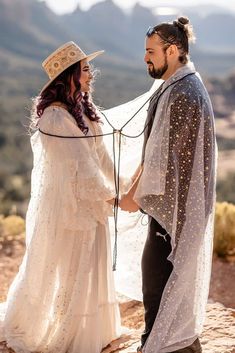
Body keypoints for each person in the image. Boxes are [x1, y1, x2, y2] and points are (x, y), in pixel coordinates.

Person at [0, 41, 128, 353]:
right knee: (68, 267)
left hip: (90, 202)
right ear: (69, 76)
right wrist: (113, 198)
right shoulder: (55, 118)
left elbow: (100, 157)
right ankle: (61, 331)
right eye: (85, 69)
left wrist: (122, 186)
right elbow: (81, 170)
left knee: (90, 264)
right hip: (68, 208)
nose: (91, 75)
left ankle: (92, 330)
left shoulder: (84, 110)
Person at [120, 17, 217, 353]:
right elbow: (156, 149)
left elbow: (162, 163)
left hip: (173, 214)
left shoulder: (183, 93)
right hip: (169, 210)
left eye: (151, 51)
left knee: (162, 285)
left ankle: (168, 346)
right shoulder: (176, 86)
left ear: (173, 51)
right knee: (161, 287)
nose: (145, 58)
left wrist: (132, 196)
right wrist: (132, 188)